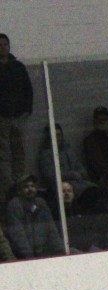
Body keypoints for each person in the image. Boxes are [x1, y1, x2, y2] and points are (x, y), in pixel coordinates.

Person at [0, 33, 33, 200]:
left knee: (19, 153)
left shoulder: (18, 67)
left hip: (19, 117)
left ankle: (20, 185)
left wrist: (27, 110)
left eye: (5, 44)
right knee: (4, 155)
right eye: (0, 45)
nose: (3, 48)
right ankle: (9, 189)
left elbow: (28, 89)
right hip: (2, 119)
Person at [6, 174, 63, 259]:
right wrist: (30, 257)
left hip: (45, 252)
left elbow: (51, 229)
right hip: (24, 256)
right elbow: (18, 235)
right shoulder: (14, 205)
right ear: (19, 191)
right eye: (26, 187)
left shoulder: (40, 203)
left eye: (32, 186)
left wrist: (61, 250)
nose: (30, 189)